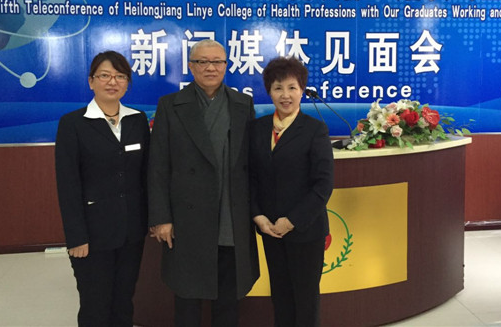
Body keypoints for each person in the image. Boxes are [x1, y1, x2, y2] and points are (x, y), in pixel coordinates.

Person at [148, 39, 259, 327]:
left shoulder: (242, 104)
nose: (210, 67)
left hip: (230, 216)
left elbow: (251, 164)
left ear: (226, 66)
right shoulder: (171, 105)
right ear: (191, 66)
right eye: (202, 62)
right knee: (187, 297)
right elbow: (158, 166)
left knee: (228, 298)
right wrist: (161, 218)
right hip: (186, 218)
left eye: (217, 62)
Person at [55, 51, 150, 327]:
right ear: (91, 81)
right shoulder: (73, 123)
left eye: (120, 76)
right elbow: (67, 184)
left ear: (127, 83)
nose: (113, 82)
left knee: (124, 300)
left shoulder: (137, 119)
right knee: (95, 304)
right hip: (92, 234)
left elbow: (146, 175)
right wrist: (76, 237)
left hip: (132, 231)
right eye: (105, 75)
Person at [249, 56, 334, 327]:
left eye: (292, 88)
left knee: (305, 299)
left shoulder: (315, 129)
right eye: (278, 88)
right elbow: (250, 177)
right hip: (270, 229)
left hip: (305, 230)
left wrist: (292, 220)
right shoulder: (257, 129)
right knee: (281, 296)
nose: (285, 95)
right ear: (269, 91)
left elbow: (323, 185)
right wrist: (258, 216)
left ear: (302, 91)